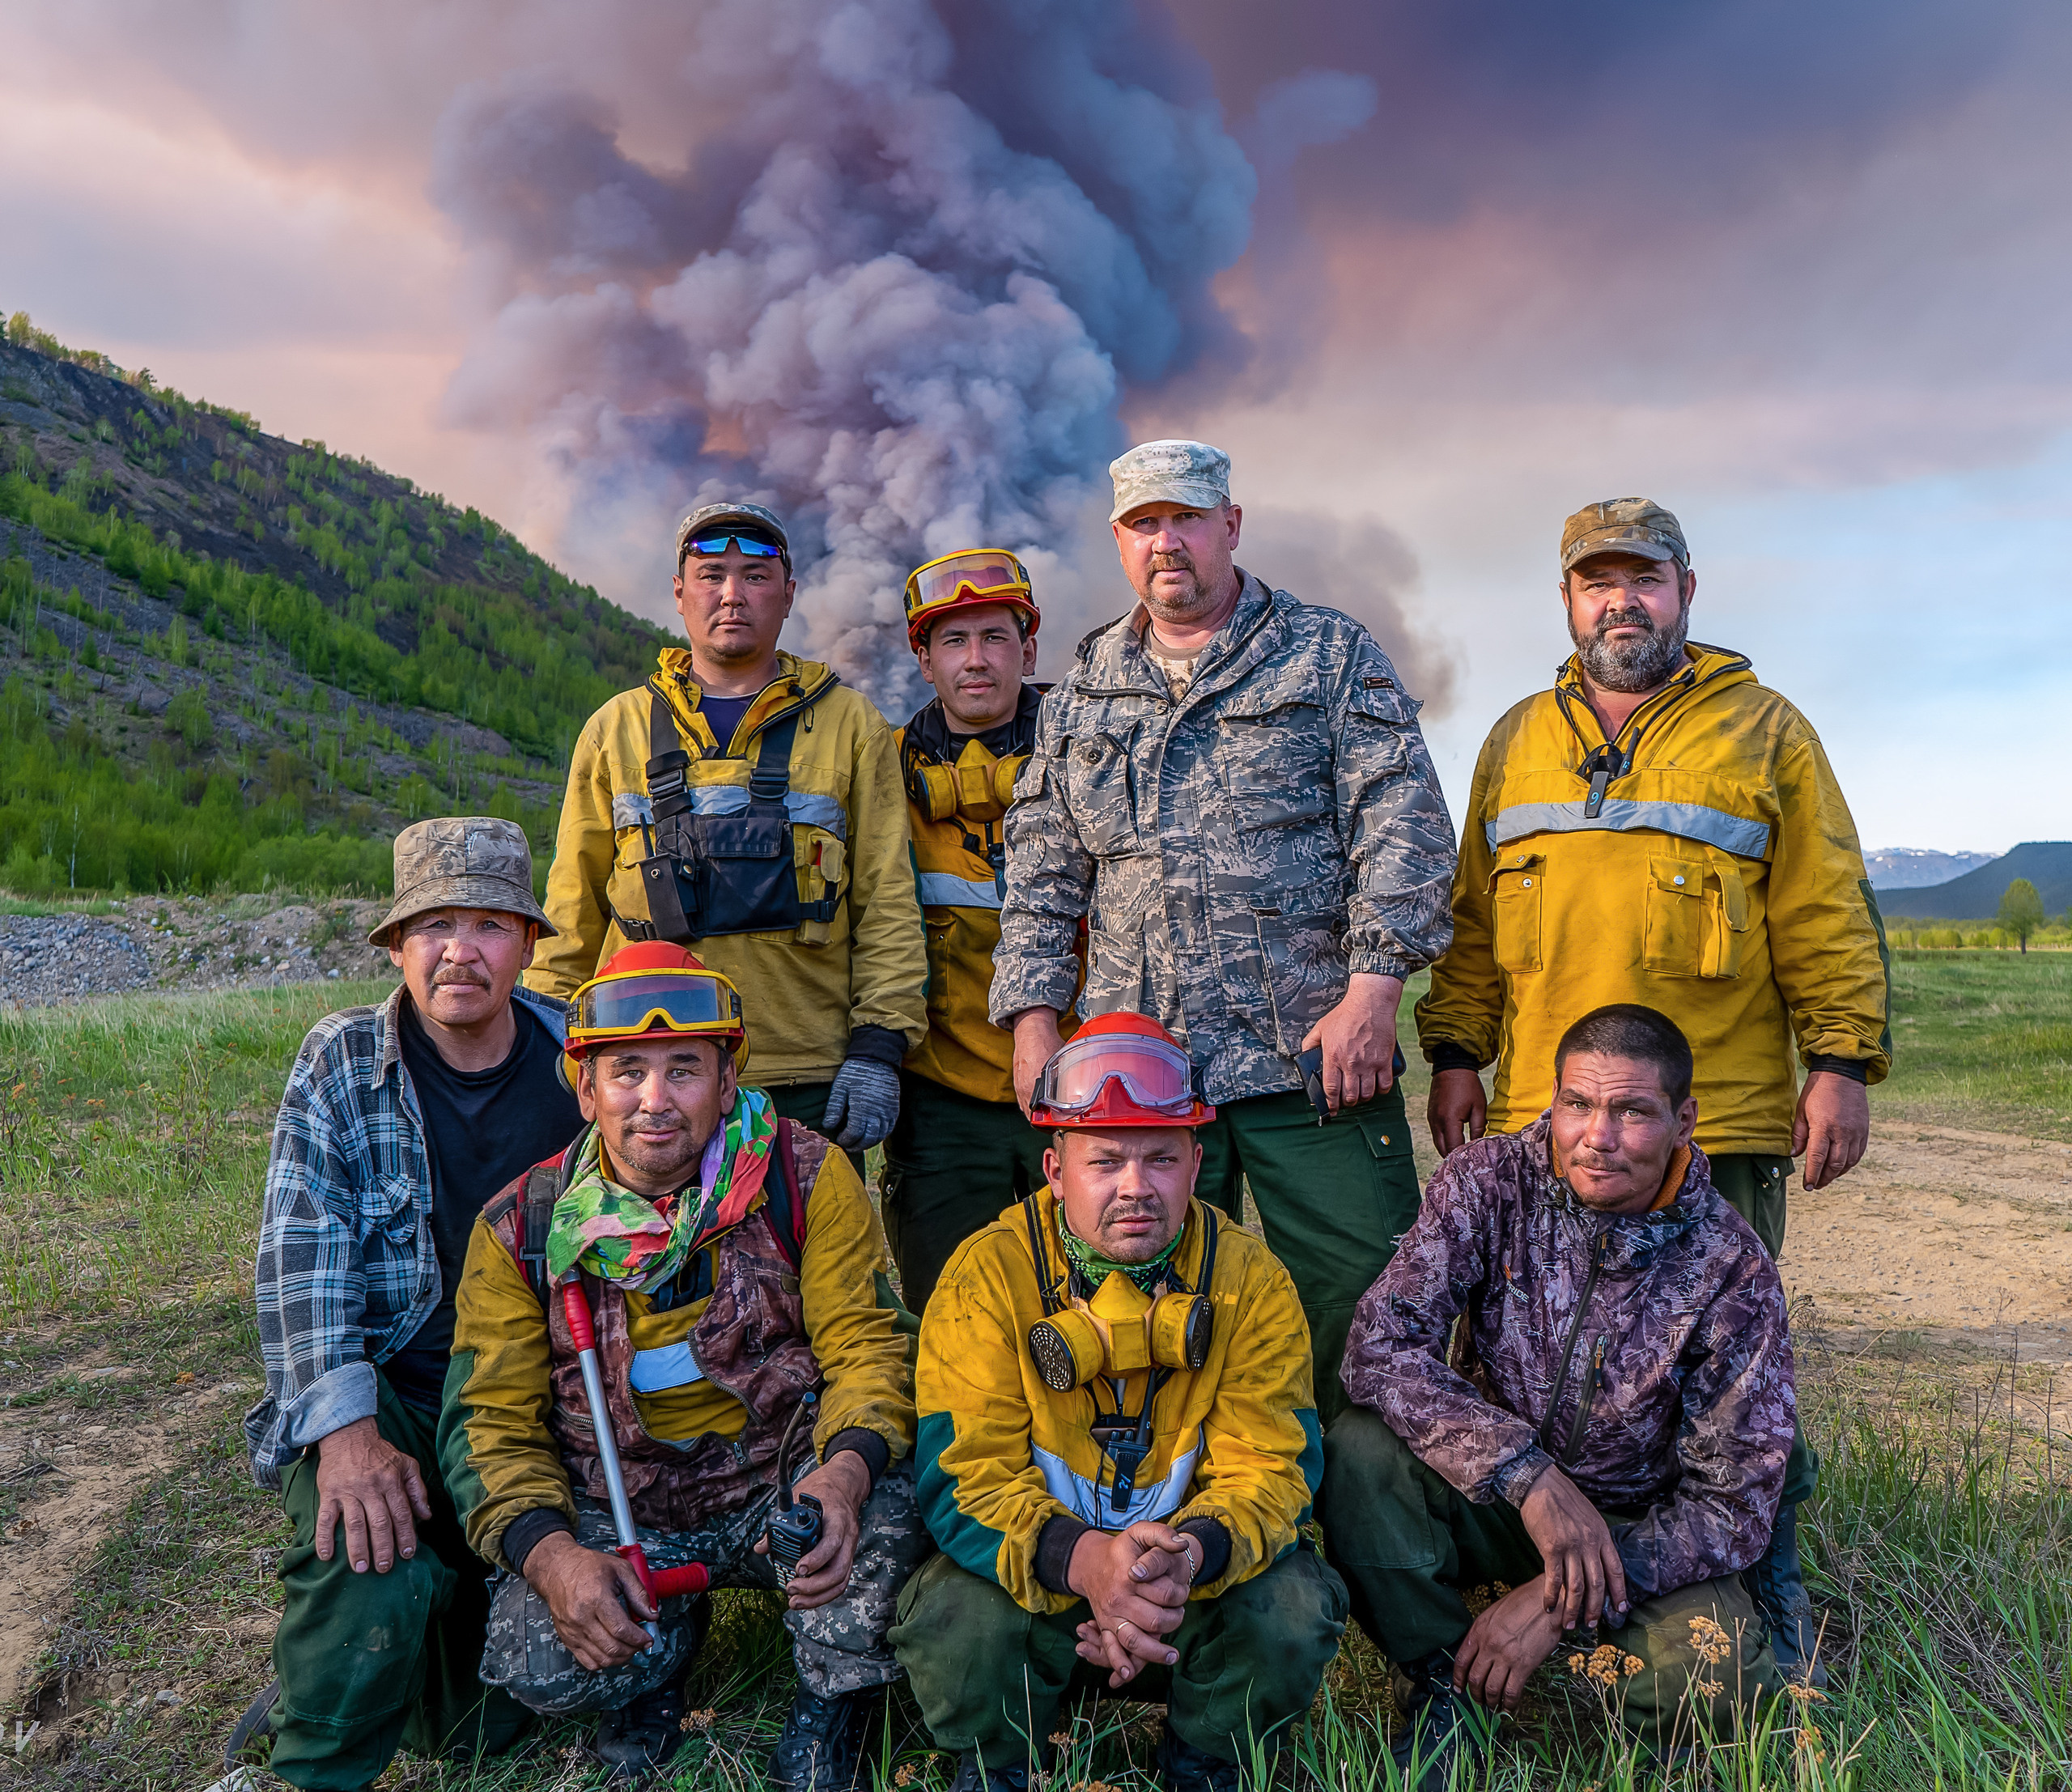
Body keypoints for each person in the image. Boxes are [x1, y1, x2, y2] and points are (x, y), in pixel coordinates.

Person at [1415, 496, 1890, 1673]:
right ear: (1568, 598)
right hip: (1544, 1117)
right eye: (1596, 580)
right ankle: (1537, 1577)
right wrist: (1460, 1048)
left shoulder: (1765, 731)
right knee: (1534, 1365)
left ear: (1686, 589)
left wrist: (1838, 1060)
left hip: (1710, 1117)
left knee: (1722, 1383)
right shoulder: (1518, 737)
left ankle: (1760, 1597)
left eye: (1644, 578)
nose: (1619, 599)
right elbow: (1474, 919)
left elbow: (1824, 904)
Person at [991, 440, 1456, 1420]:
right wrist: (1034, 1018)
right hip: (1141, 1087)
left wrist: (1374, 993)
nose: (1167, 543)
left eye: (1187, 519)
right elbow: (1039, 867)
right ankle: (1188, 1536)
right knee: (1149, 1320)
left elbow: (1404, 828)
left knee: (1360, 1311)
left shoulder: (1327, 655)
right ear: (1119, 541)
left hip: (1313, 1066)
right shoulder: (1085, 685)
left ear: (1230, 526)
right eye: (1144, 524)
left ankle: (1357, 1541)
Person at [443, 943, 928, 1787]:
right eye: (626, 1072)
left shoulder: (806, 1177)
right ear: (586, 1089)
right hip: (619, 1503)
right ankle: (658, 1660)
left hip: (784, 1480)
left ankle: (833, 1697)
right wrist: (555, 1559)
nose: (655, 1101)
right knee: (536, 1657)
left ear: (727, 1078)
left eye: (684, 1070)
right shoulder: (518, 1228)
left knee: (894, 1524)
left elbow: (869, 1349)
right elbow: (490, 1426)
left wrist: (844, 1474)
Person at [1323, 1006, 1793, 1783]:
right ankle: (1444, 1679)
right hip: (1493, 1497)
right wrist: (1526, 1475)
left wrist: (1554, 1601)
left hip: (1633, 1528)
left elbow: (1734, 1503)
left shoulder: (1731, 1266)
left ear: (1685, 1121)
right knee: (1359, 1453)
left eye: (1632, 1111)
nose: (1595, 1137)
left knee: (1720, 1681)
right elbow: (1380, 1345)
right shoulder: (1489, 1181)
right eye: (1577, 1104)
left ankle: (1592, 1679)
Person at [893, 1013, 1347, 1792]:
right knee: (955, 1618)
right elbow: (963, 1479)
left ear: (1198, 1163)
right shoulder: (986, 1275)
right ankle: (999, 1762)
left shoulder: (1250, 1281)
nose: (1135, 1187)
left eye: (1161, 1159)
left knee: (1293, 1607)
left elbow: (1273, 1472)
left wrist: (1182, 1561)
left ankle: (1208, 1758)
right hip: (1044, 1577)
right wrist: (1089, 1564)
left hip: (1185, 1586)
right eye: (1104, 1160)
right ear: (1053, 1168)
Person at [234, 817, 580, 1788]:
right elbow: (299, 1264)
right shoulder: (339, 1062)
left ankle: (349, 1678)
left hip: (528, 1405)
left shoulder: (583, 1065)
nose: (459, 951)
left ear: (527, 941)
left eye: (489, 924)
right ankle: (316, 1759)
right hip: (393, 1385)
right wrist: (344, 1436)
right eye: (432, 926)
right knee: (363, 1559)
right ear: (396, 945)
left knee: (487, 1726)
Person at [526, 501, 927, 1165]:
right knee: (646, 1269)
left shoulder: (852, 724)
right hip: (643, 1078)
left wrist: (879, 1049)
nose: (732, 594)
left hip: (806, 1079)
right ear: (680, 594)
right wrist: (541, 1055)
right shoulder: (614, 729)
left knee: (818, 1268)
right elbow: (571, 914)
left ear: (790, 595)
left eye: (756, 577)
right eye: (711, 575)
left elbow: (887, 902)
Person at [882, 547, 1076, 1313]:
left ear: (1028, 650)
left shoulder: (1090, 751)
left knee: (1092, 1317)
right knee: (951, 1316)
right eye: (953, 641)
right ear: (922, 657)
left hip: (1079, 1088)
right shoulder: (883, 771)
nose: (975, 661)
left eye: (995, 638)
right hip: (941, 1105)